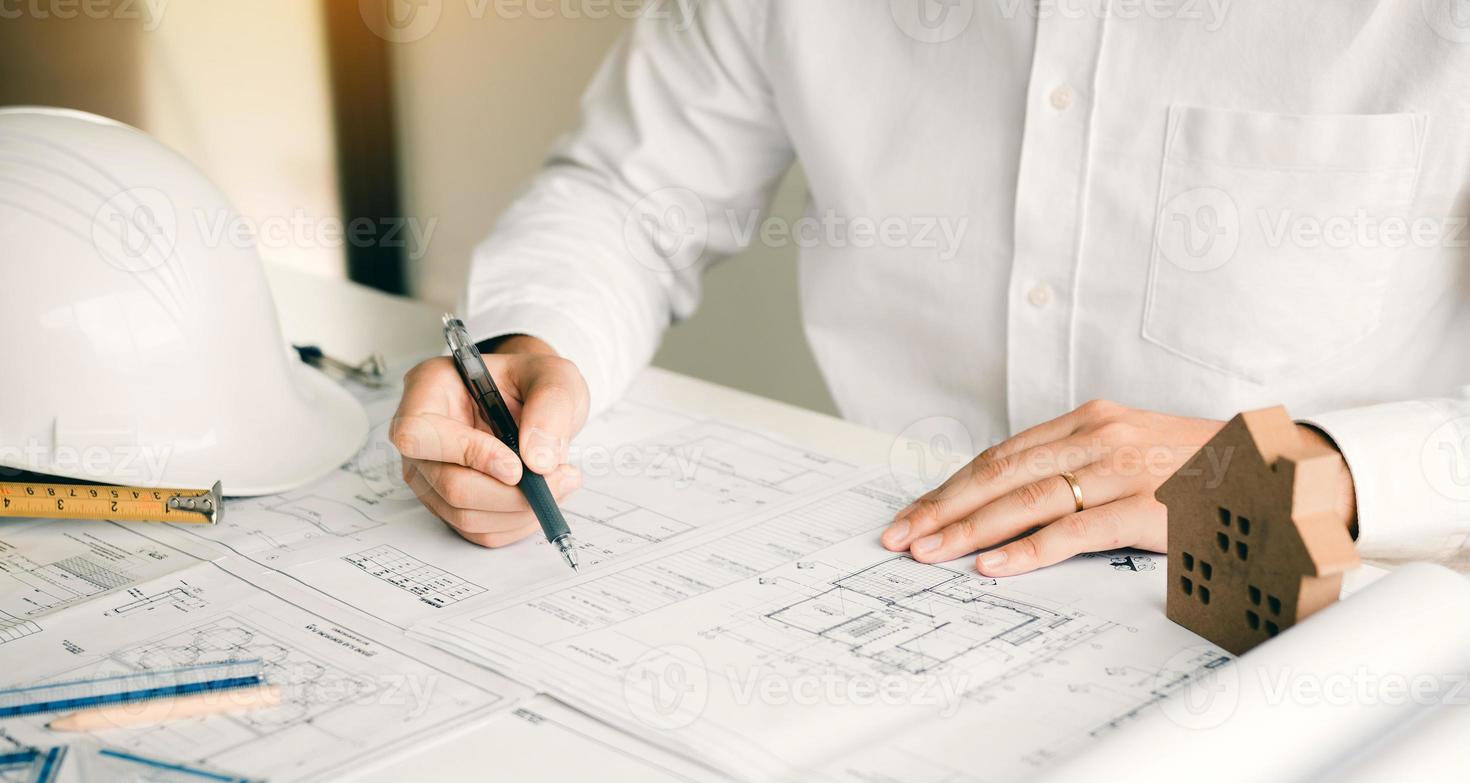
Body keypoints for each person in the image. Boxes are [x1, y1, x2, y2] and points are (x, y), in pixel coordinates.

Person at [392, 1, 1470, 572]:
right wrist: (538, 346)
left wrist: (1316, 472)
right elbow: (628, 196)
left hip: (1337, 605)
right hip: (904, 569)